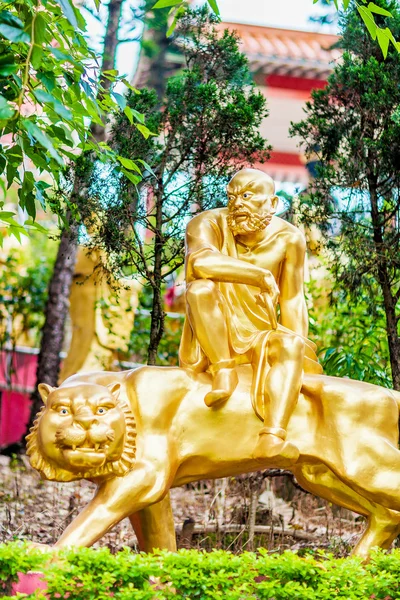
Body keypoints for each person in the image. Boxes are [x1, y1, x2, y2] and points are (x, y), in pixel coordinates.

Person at [179, 168, 322, 466]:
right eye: (232, 196)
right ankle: (224, 369)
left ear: (272, 204)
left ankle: (272, 436)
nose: (237, 204)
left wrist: (301, 346)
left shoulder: (289, 238)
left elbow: (293, 300)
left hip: (261, 331)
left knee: (291, 346)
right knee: (199, 290)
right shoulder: (206, 223)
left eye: (247, 196)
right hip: (213, 331)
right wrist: (258, 275)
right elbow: (200, 261)